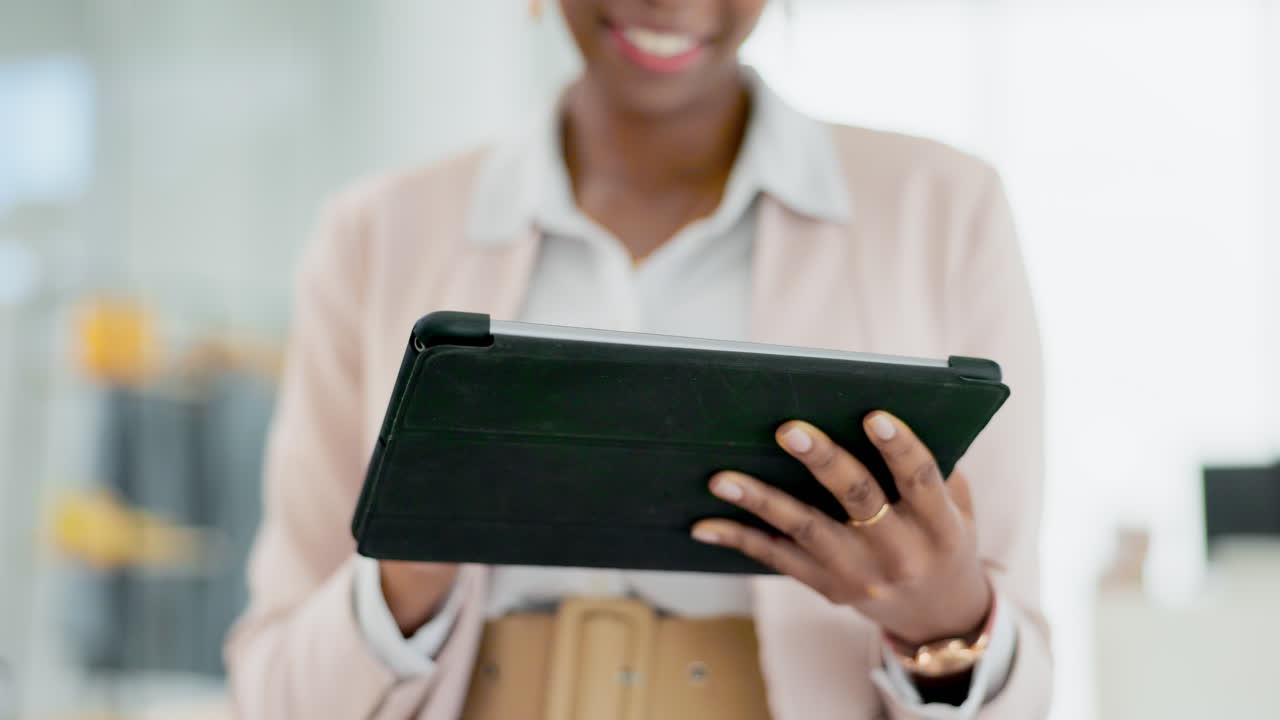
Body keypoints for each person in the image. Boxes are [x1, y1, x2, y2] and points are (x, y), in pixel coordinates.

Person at [224, 1, 1050, 718]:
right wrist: (406, 576)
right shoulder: (375, 235)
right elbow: (273, 697)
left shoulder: (943, 211)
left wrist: (946, 626)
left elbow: (1026, 688)